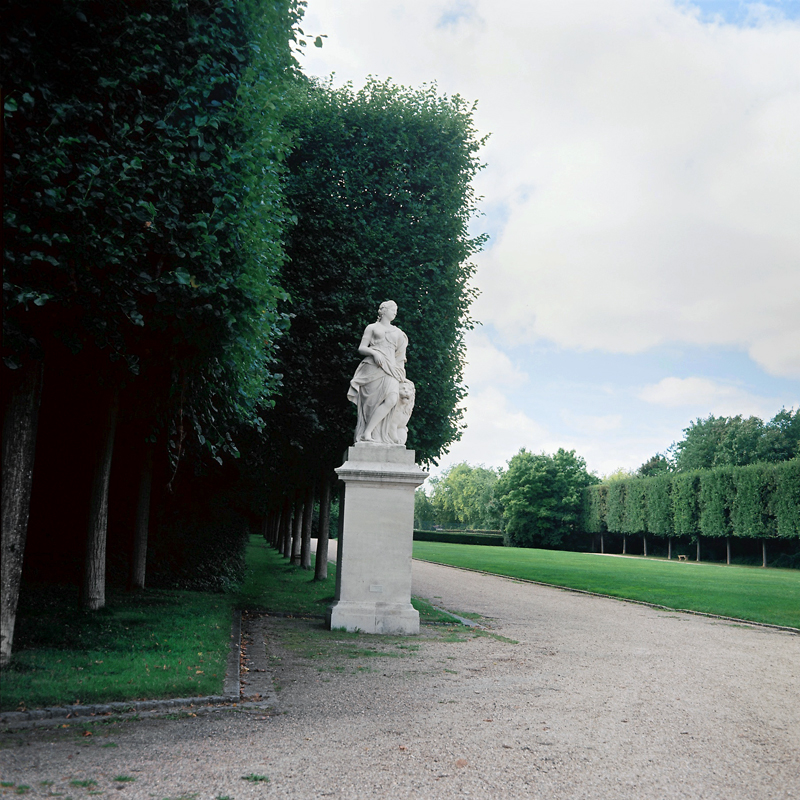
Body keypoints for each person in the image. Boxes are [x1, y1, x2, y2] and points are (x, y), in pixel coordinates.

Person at [347, 300, 413, 444]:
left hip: (390, 370)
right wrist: (374, 353)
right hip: (372, 368)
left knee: (391, 400)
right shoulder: (372, 328)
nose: (395, 312)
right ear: (383, 310)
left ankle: (369, 432)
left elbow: (400, 357)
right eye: (392, 309)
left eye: (396, 309)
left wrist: (400, 373)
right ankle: (368, 433)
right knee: (371, 404)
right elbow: (362, 348)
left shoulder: (399, 333)